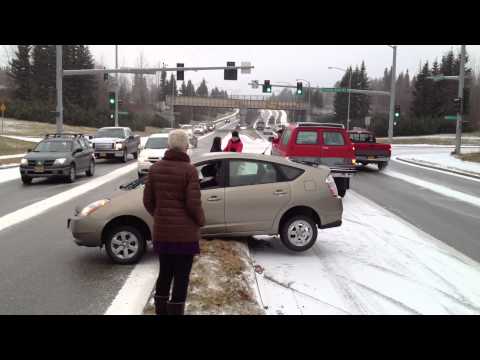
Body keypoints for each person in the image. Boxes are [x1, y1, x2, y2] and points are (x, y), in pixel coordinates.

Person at [143, 129, 205, 315]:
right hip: (185, 236)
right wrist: (200, 220)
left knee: (164, 272)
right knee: (181, 277)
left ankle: (160, 311)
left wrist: (160, 216)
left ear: (169, 146)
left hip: (163, 233)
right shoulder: (190, 171)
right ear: (185, 147)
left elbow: (148, 201)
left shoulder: (155, 169)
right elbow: (193, 203)